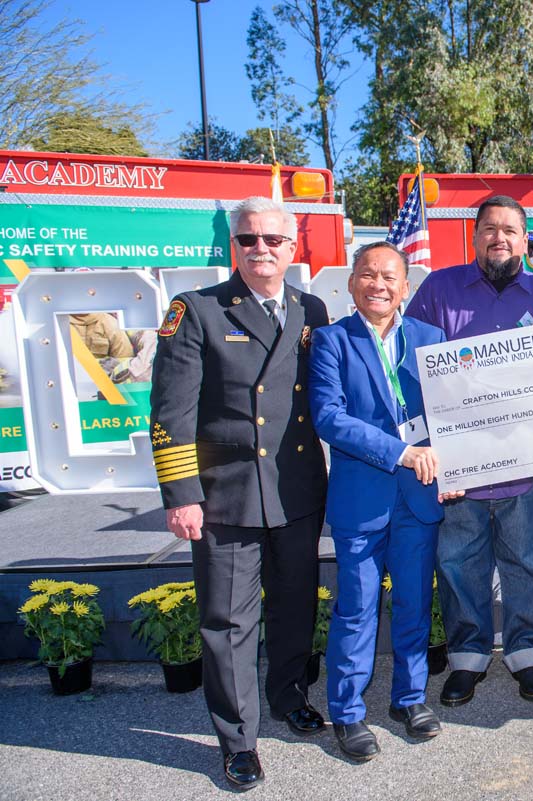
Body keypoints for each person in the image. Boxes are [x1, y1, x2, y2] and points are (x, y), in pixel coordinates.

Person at [149, 196, 330, 789]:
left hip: (297, 489)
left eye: (273, 240)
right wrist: (180, 494)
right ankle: (237, 739)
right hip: (224, 494)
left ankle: (288, 697)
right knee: (228, 623)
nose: (261, 249)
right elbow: (169, 412)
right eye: (248, 239)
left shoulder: (313, 310)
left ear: (292, 247)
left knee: (295, 603)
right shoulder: (196, 310)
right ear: (234, 246)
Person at [404, 195, 533, 707]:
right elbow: (410, 371)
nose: (499, 238)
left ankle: (527, 656)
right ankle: (467, 659)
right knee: (459, 564)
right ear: (474, 237)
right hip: (459, 467)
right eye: (489, 229)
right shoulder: (437, 289)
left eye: (510, 230)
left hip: (527, 464)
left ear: (524, 238)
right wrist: (428, 449)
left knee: (529, 564)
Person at [308, 242, 460, 761]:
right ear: (352, 283)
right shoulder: (331, 341)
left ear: (405, 287)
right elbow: (329, 417)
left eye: (389, 277)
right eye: (368, 275)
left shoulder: (431, 339)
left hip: (418, 498)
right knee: (357, 608)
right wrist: (400, 452)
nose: (379, 285)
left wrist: (458, 464)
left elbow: (451, 412)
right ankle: (347, 712)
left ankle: (409, 699)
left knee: (416, 603)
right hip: (362, 499)